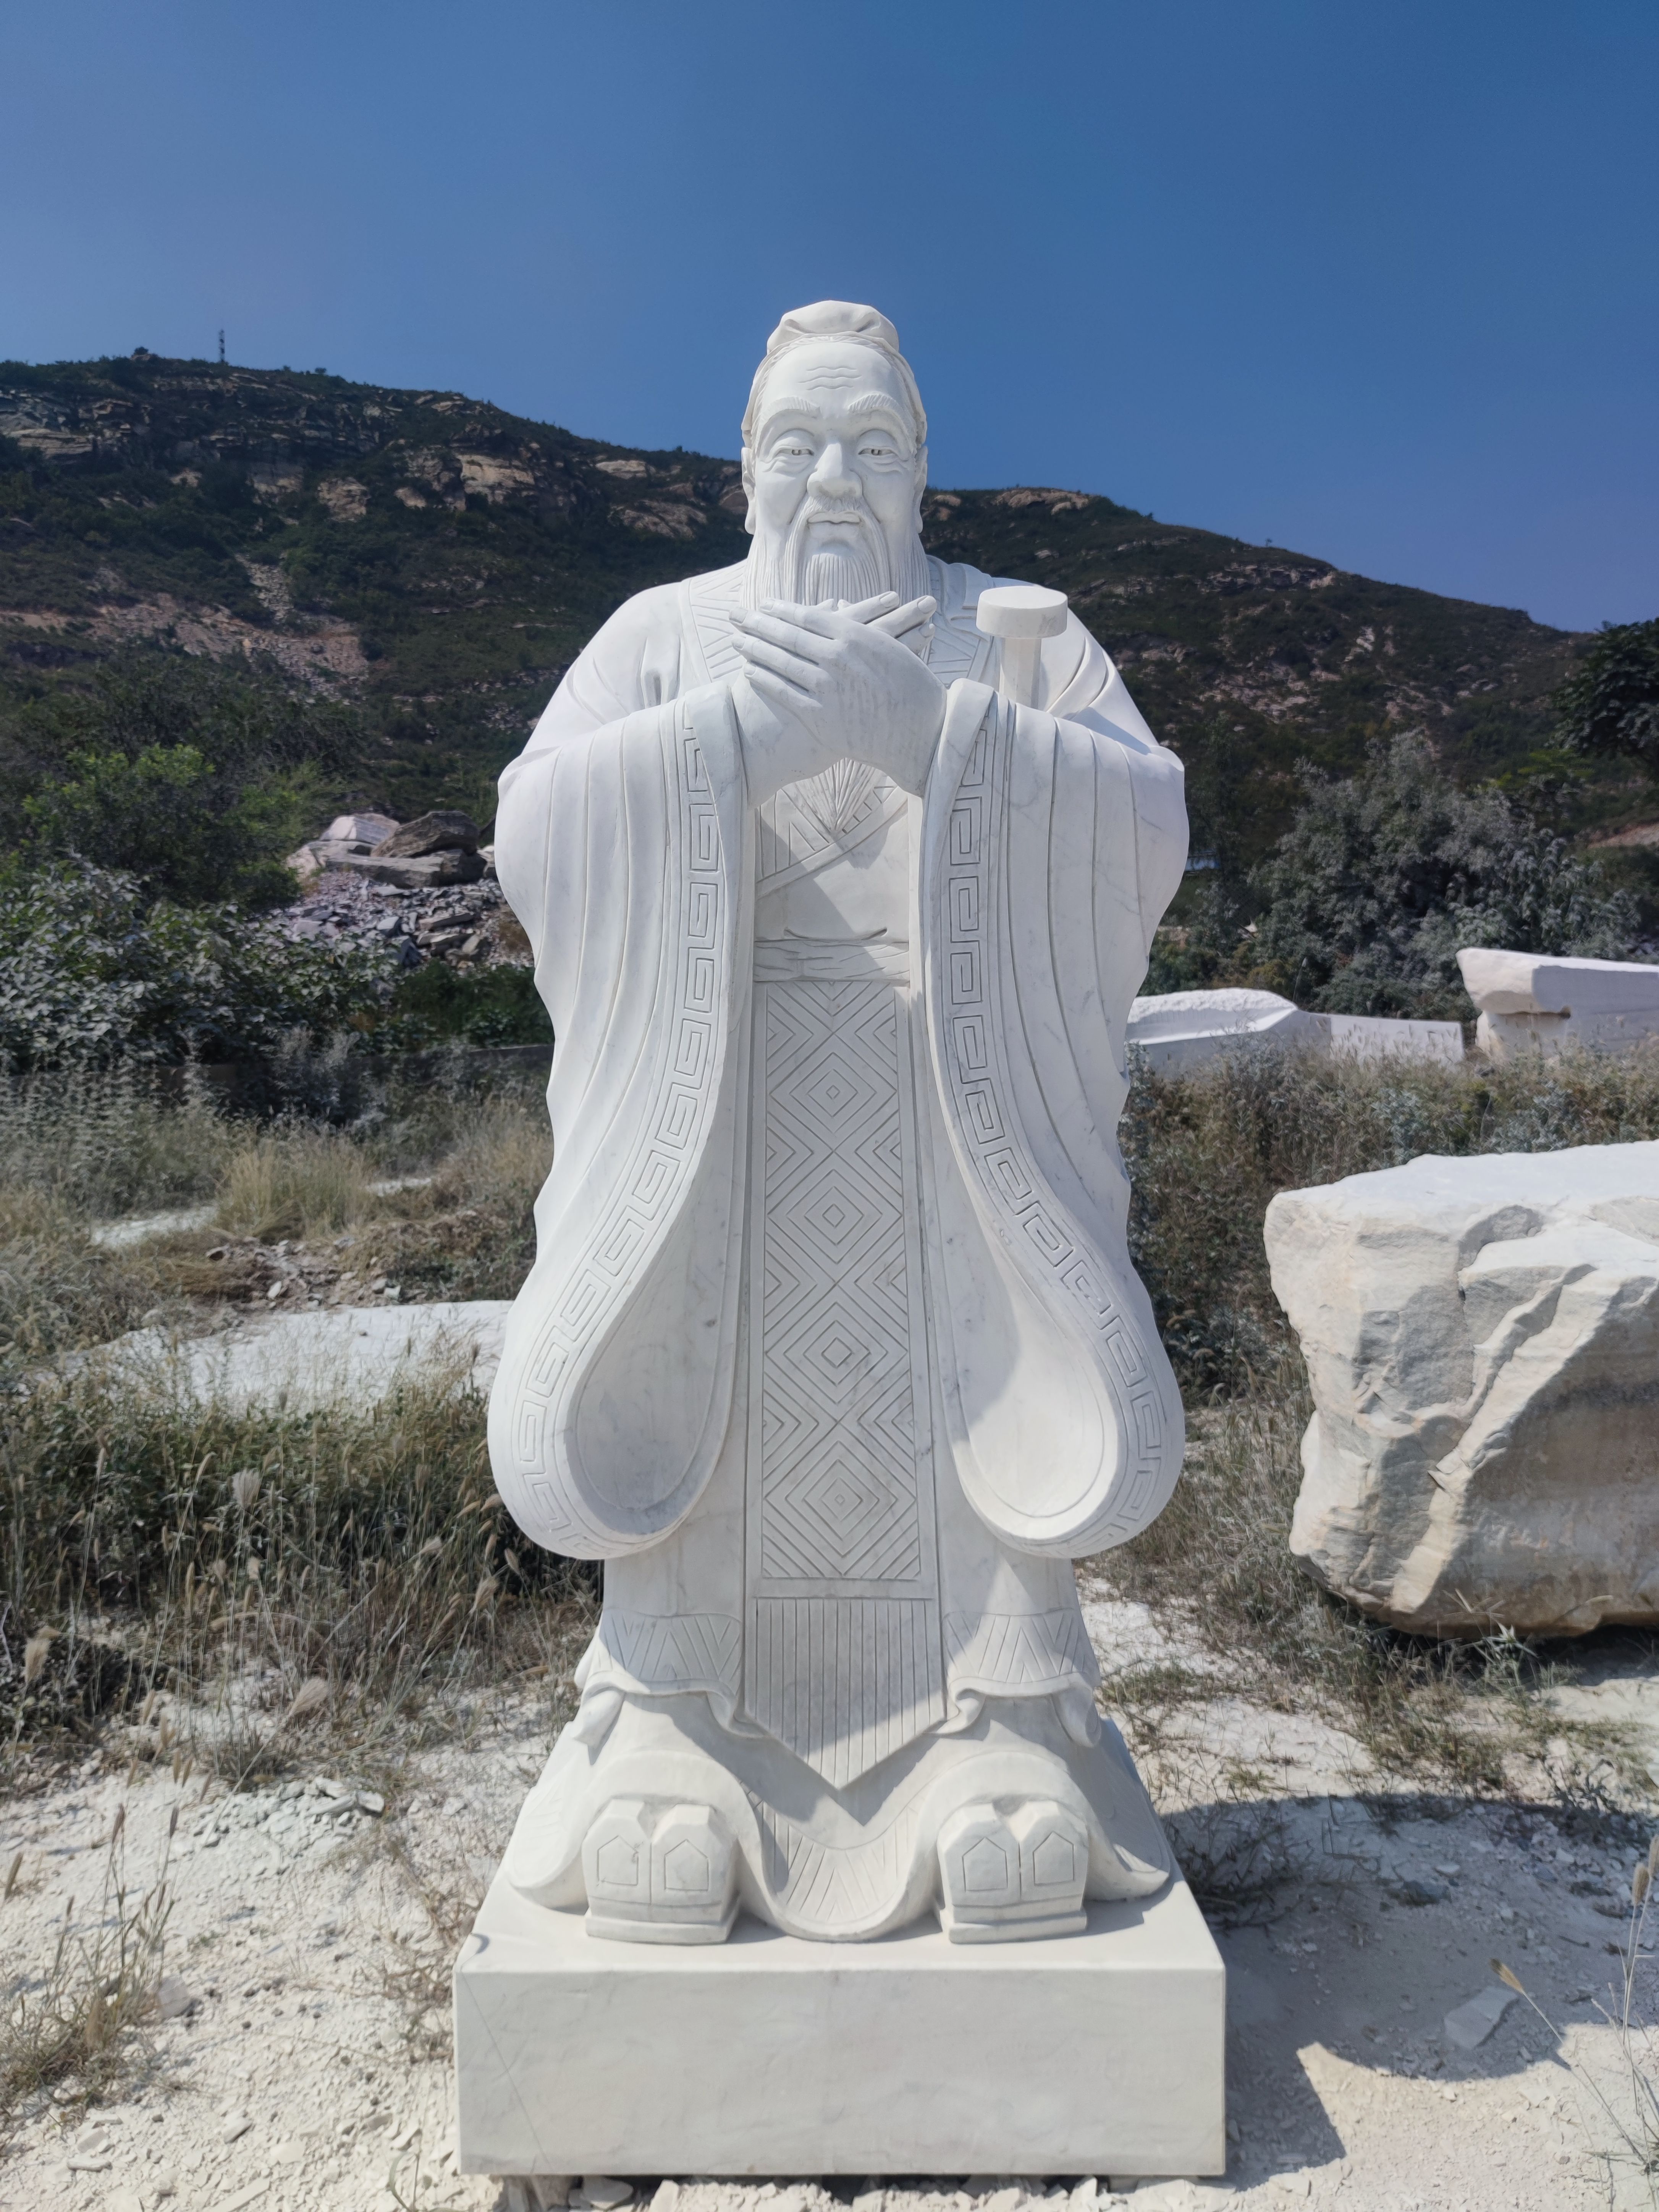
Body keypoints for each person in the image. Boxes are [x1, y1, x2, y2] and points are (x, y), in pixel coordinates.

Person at [489, 301, 1189, 1943]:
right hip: (721, 1122)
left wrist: (943, 737)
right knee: (710, 1407)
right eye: (797, 445)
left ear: (924, 466)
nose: (832, 481)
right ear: (742, 466)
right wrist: (728, 743)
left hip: (952, 1129)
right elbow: (535, 827)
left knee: (971, 1409)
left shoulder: (1015, 632)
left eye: (872, 445)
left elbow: (1144, 822)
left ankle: (1002, 1735)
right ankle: (673, 1735)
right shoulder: (665, 633)